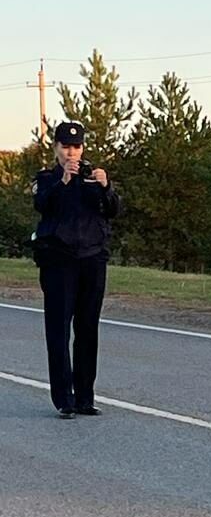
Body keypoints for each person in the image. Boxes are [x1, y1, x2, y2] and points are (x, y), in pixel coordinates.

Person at [32, 121, 120, 418]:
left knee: (88, 330)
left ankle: (85, 397)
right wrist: (63, 182)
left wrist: (106, 186)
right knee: (58, 330)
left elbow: (113, 210)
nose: (72, 153)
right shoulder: (47, 179)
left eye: (77, 147)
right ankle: (64, 400)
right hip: (59, 261)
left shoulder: (92, 177)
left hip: (92, 259)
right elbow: (43, 205)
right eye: (66, 146)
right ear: (56, 147)